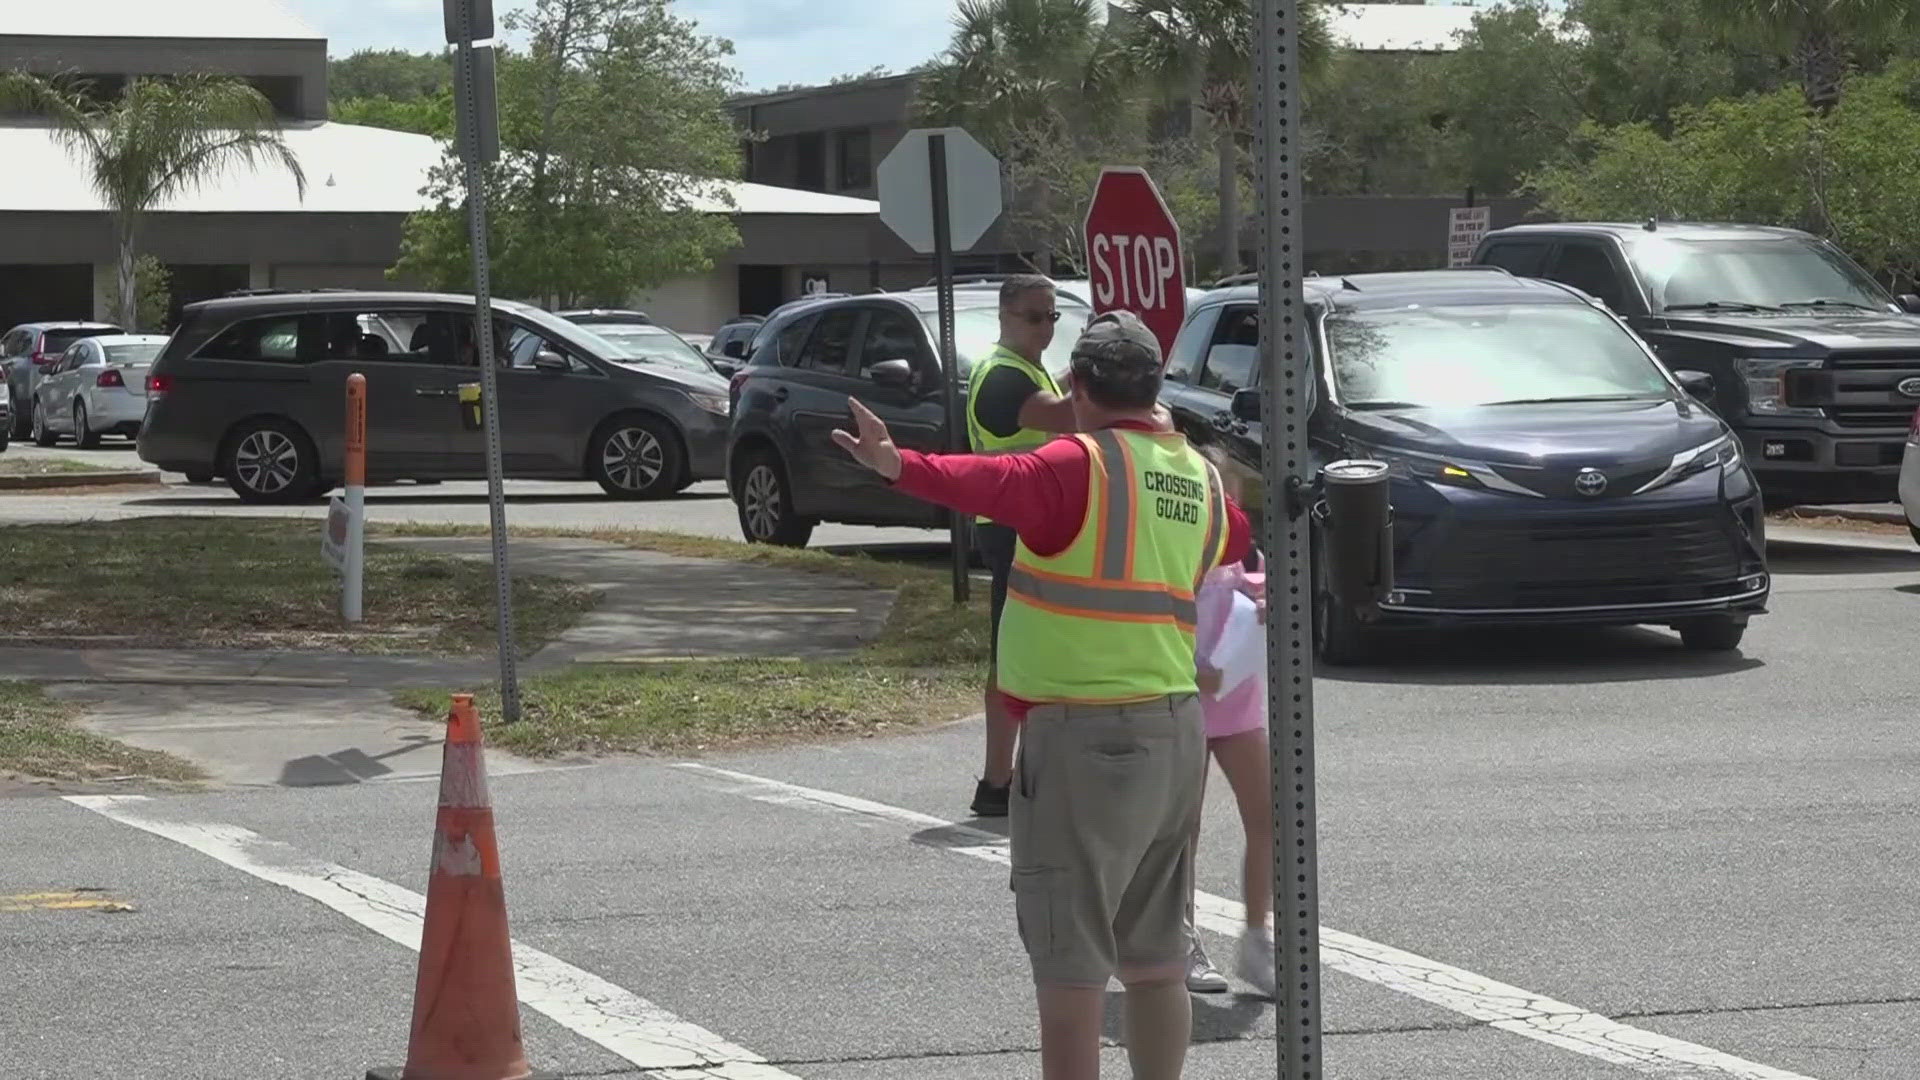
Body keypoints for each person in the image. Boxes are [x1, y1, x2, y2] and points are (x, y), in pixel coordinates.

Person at [833, 311, 1254, 1080]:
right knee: (1157, 958)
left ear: (1078, 386)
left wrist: (898, 465)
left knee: (1071, 969)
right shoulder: (1193, 473)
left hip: (1083, 738)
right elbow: (1234, 538)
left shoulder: (1075, 465)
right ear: (1155, 387)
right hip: (1175, 731)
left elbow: (993, 479)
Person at [964, 275, 1078, 818]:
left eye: (1053, 317)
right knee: (1020, 657)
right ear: (1005, 317)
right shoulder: (1000, 376)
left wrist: (1080, 370)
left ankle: (998, 783)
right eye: (1035, 317)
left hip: (1021, 523)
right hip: (1013, 527)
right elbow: (1065, 416)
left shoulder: (1023, 370)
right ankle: (1002, 780)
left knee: (1016, 652)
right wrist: (1103, 370)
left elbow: (1053, 399)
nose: (1046, 328)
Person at [1181, 445, 1276, 998]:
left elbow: (1266, 608)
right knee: (1181, 831)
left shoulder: (1249, 561)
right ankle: (1182, 939)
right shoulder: (1171, 556)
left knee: (1267, 816)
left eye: (1231, 500)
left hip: (1237, 706)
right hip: (1186, 702)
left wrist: (1269, 608)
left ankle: (1257, 938)